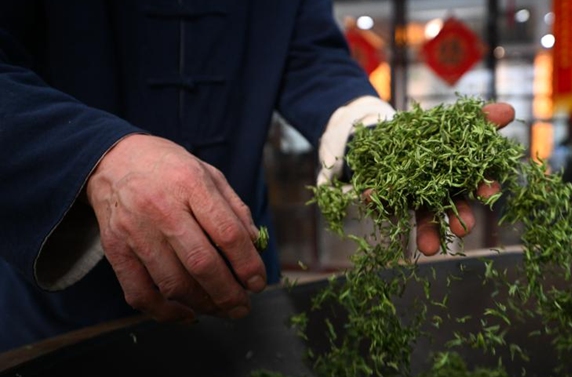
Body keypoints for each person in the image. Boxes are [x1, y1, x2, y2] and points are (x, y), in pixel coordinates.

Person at [0, 0, 514, 352]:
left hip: (240, 263)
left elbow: (308, 51)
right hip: (64, 292)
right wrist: (100, 159)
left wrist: (378, 144)